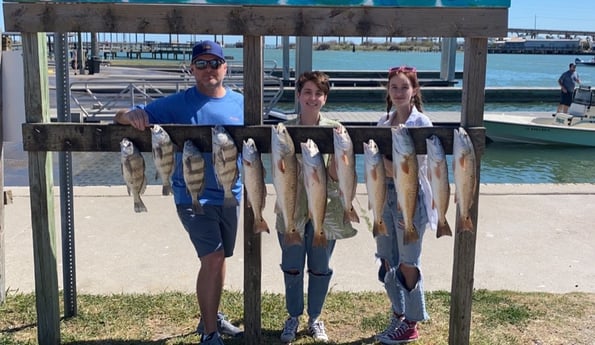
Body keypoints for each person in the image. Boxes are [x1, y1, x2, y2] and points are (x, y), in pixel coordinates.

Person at [114, 40, 244, 345]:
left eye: (215, 63)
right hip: (192, 195)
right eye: (201, 64)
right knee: (211, 258)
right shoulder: (176, 104)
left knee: (221, 256)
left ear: (225, 67)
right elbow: (125, 114)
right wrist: (131, 115)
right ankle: (210, 334)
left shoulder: (241, 102)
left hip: (231, 191)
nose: (208, 69)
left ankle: (211, 317)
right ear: (192, 69)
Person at [276, 71, 357, 344]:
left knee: (321, 267)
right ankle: (292, 315)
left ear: (325, 98)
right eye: (307, 92)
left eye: (318, 93)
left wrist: (337, 155)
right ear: (298, 95)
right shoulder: (283, 130)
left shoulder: (336, 129)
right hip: (292, 210)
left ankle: (315, 317)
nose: (312, 98)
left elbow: (337, 175)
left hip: (327, 210)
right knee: (292, 266)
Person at [374, 66, 438, 344]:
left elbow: (413, 169)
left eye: (404, 87)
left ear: (414, 91)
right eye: (394, 87)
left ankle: (412, 322)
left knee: (408, 261)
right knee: (387, 258)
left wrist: (385, 164)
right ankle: (398, 313)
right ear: (388, 91)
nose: (399, 92)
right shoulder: (381, 121)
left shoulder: (421, 123)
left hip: (410, 199)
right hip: (383, 198)